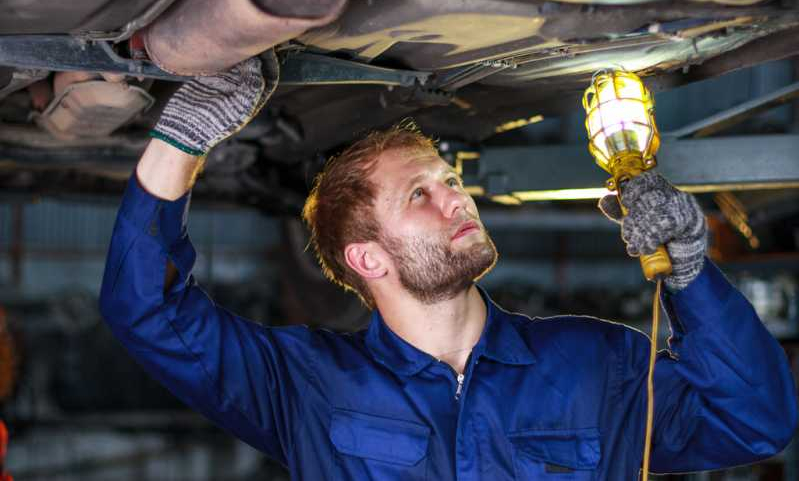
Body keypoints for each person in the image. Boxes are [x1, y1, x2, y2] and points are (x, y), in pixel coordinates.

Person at [100, 54, 798, 480]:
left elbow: (754, 420)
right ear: (366, 257)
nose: (454, 196)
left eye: (449, 181)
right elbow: (147, 312)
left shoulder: (597, 363)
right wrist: (180, 141)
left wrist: (687, 274)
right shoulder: (303, 385)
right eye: (420, 194)